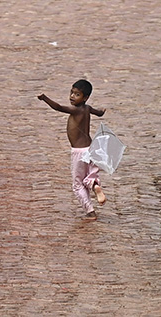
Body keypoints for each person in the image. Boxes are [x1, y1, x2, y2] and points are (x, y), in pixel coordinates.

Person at [38, 79, 107, 219]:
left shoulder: (75, 110)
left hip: (79, 152)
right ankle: (95, 187)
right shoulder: (87, 108)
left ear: (85, 98)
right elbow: (98, 113)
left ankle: (90, 212)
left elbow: (58, 107)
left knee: (77, 184)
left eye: (77, 94)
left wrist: (45, 98)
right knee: (90, 176)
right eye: (71, 93)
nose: (72, 96)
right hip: (91, 149)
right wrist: (102, 112)